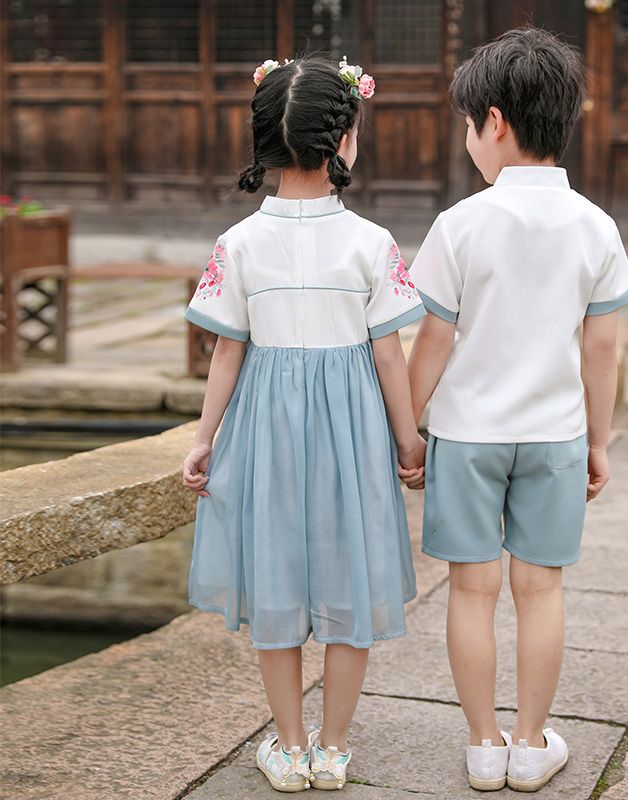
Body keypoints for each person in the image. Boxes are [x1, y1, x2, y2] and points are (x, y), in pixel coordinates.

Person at [403, 27, 628, 792]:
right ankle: (533, 744)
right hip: (555, 434)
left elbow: (431, 341)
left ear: (494, 121)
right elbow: (601, 349)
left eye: (470, 126)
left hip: (467, 436)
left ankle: (482, 743)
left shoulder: (459, 225)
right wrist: (599, 442)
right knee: (541, 591)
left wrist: (409, 434)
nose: (471, 140)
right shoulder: (596, 226)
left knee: (472, 590)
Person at [182, 54, 426, 793]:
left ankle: (288, 749)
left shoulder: (238, 244)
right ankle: (335, 747)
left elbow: (227, 353)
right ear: (345, 138)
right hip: (352, 428)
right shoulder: (371, 243)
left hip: (265, 428)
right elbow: (389, 356)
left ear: (262, 140)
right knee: (351, 577)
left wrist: (203, 439)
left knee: (276, 577)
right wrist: (409, 439)